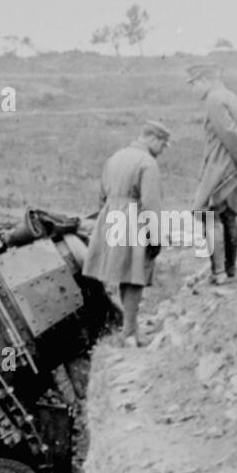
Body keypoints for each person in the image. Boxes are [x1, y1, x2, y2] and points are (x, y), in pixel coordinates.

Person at [82, 120, 171, 347]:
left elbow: (101, 196)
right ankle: (130, 333)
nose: (162, 151)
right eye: (163, 145)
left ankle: (130, 329)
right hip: (134, 219)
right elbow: (151, 204)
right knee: (135, 277)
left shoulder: (115, 157)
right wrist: (155, 237)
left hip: (112, 217)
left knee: (125, 275)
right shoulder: (147, 163)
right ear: (153, 139)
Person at [188, 63, 237, 284]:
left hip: (223, 165)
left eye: (194, 84)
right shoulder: (233, 97)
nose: (193, 90)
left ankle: (219, 273)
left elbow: (229, 134)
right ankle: (231, 270)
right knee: (229, 216)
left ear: (204, 80)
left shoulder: (214, 99)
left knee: (206, 213)